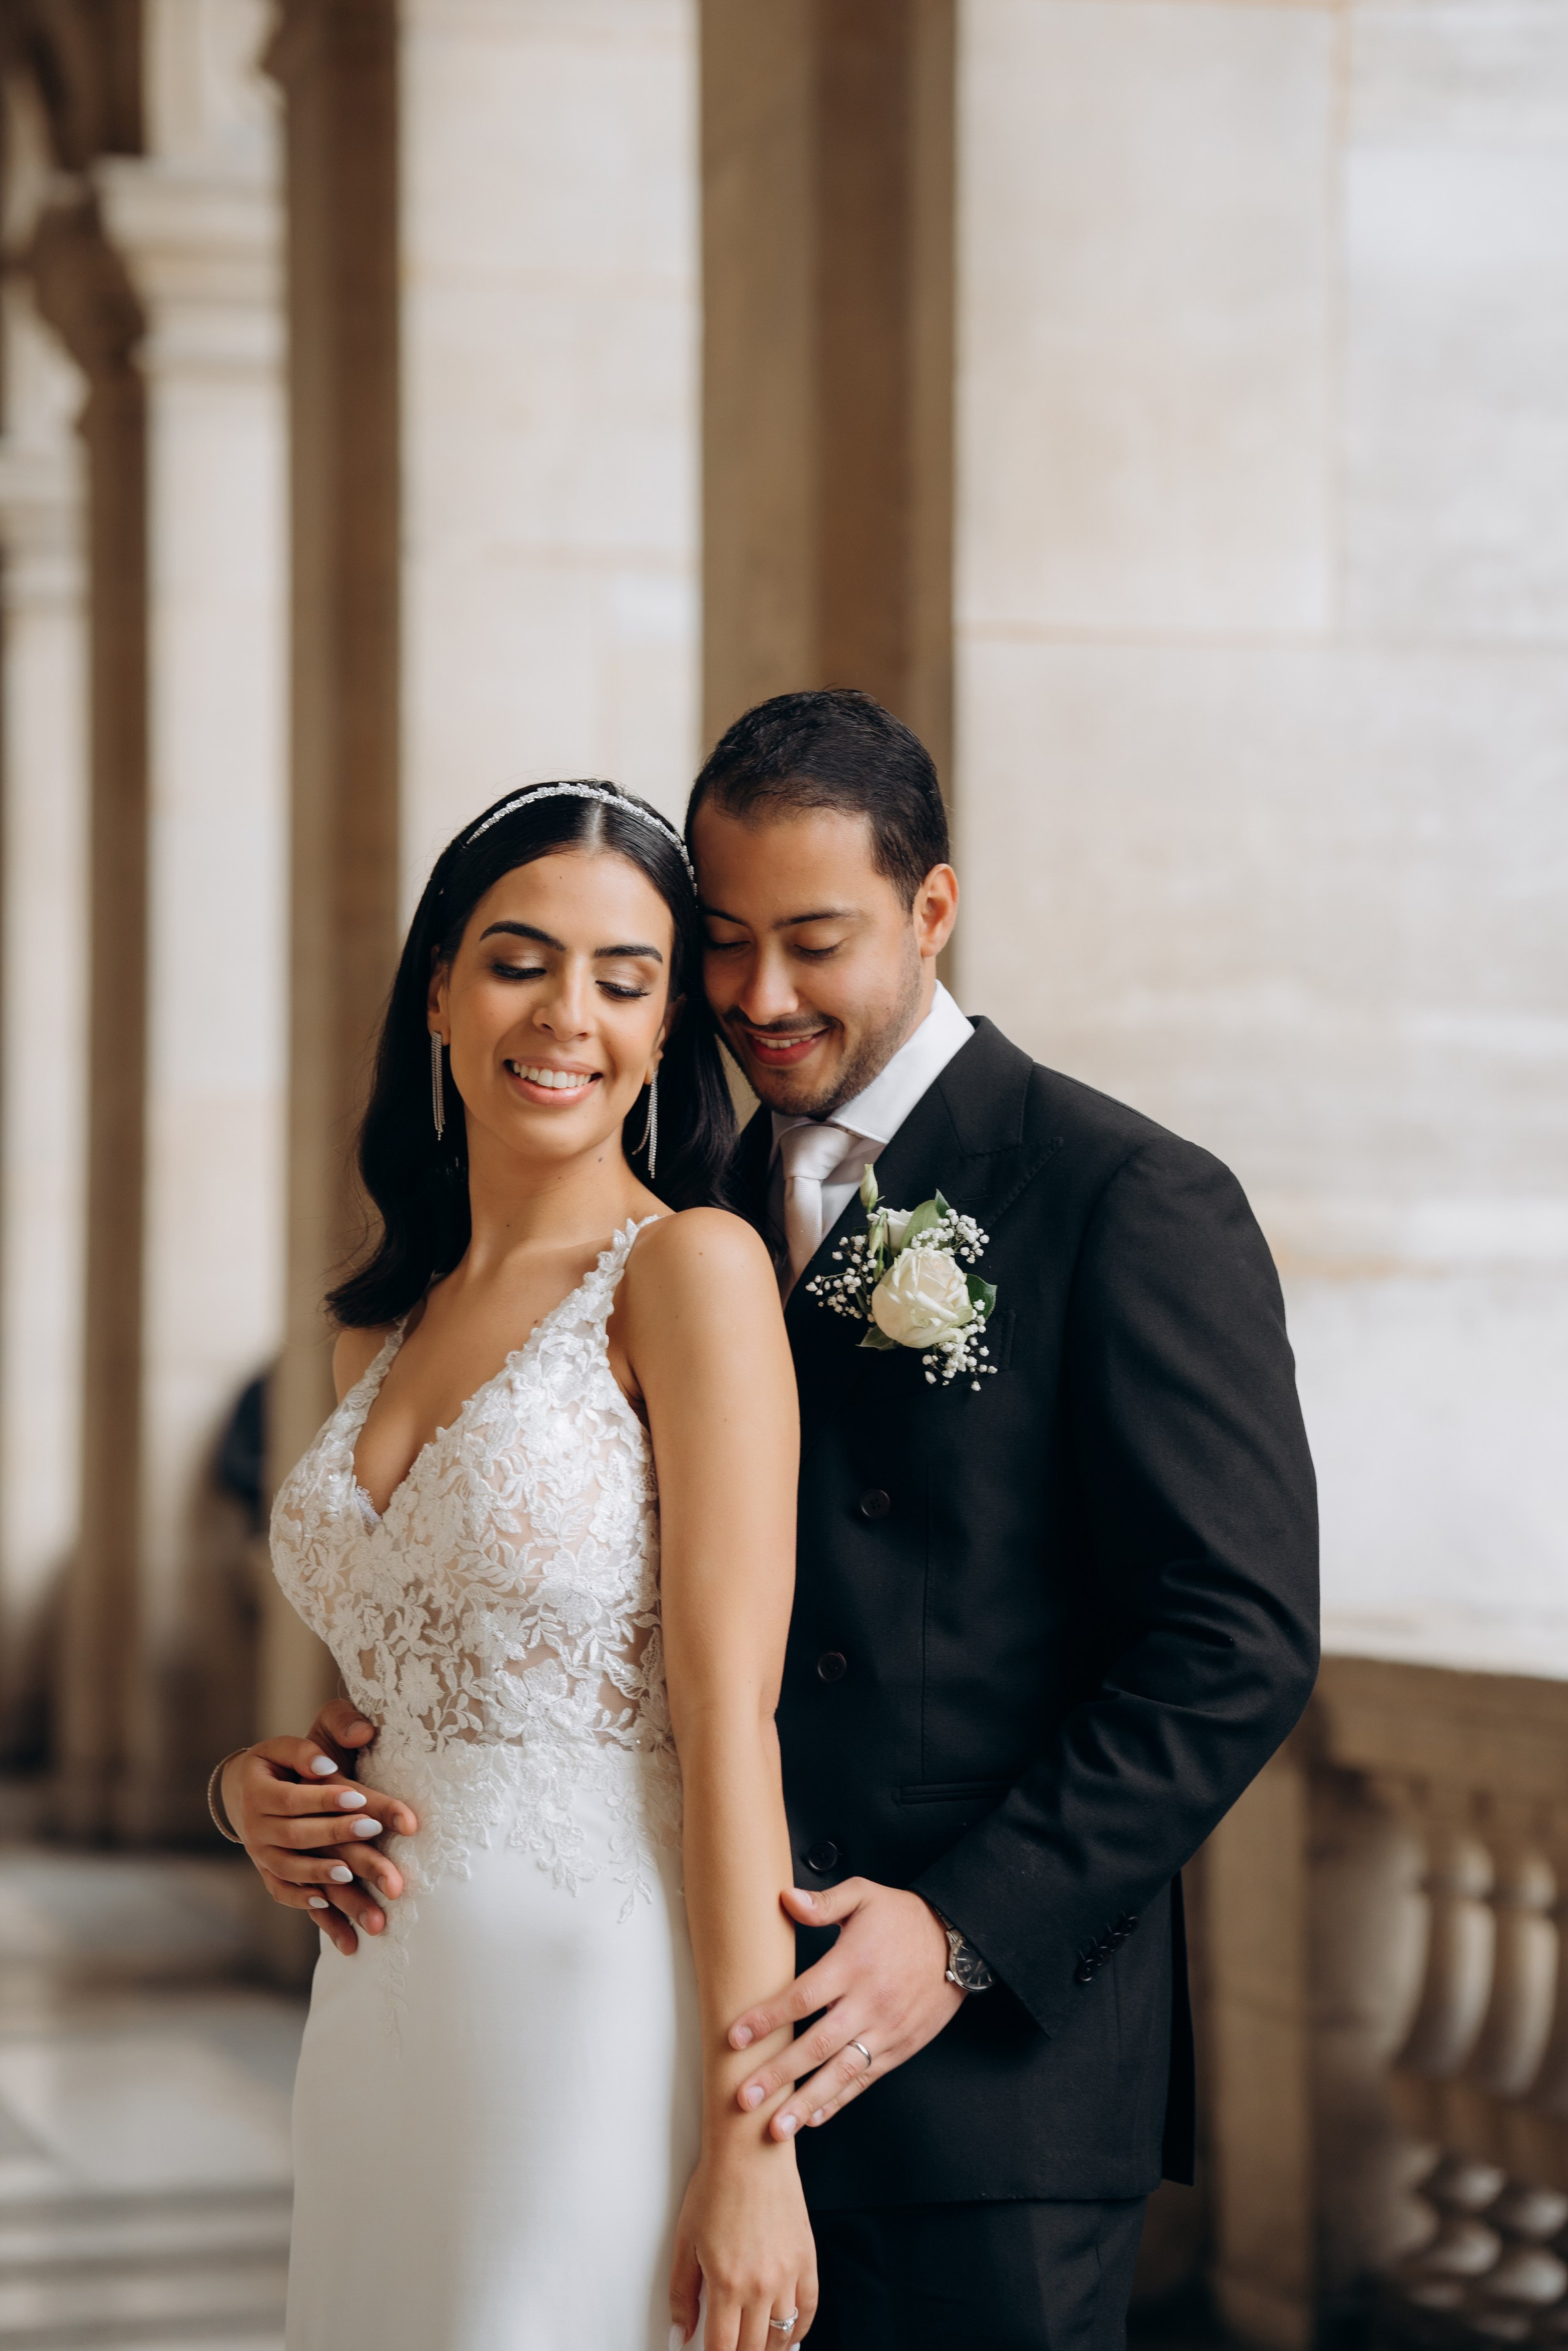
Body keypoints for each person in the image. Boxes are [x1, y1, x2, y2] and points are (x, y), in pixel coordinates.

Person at [224, 694, 1321, 2350]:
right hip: (664, 2015)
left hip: (980, 2080)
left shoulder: (1117, 1193)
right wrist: (280, 1778)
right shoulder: (690, 1204)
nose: (760, 996)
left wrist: (957, 1932)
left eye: (812, 941)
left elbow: (1231, 1643)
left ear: (930, 909)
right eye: (720, 945)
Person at [212, 779, 816, 2350]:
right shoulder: (373, 1328)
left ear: (668, 1021)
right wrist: (250, 1794)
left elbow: (729, 1720)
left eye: (622, 980)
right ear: (437, 988)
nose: (566, 1017)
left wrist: (755, 2149)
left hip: (593, 2011)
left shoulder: (688, 1271)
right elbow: (375, 1690)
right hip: (380, 2012)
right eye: (517, 960)